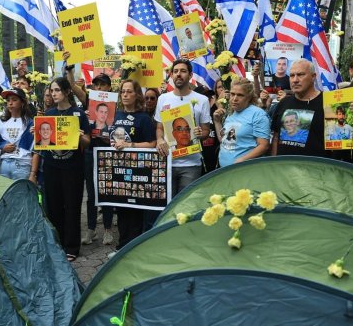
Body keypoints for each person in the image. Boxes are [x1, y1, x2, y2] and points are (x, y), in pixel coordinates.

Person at [41, 77, 90, 261]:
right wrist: (37, 134)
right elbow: (43, 141)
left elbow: (87, 141)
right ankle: (57, 244)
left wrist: (80, 137)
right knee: (54, 206)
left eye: (57, 90)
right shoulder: (49, 113)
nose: (53, 94)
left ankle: (72, 247)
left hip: (73, 168)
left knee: (72, 205)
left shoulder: (78, 114)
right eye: (51, 90)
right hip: (52, 166)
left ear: (67, 91)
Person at [107, 79, 156, 257]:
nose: (125, 95)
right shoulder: (115, 115)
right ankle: (122, 247)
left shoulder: (144, 118)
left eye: (129, 91)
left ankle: (133, 250)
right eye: (123, 91)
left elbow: (152, 144)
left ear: (137, 95)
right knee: (121, 209)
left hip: (138, 170)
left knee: (136, 211)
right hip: (119, 169)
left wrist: (130, 145)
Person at [155, 59, 212, 197]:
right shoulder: (163, 98)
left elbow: (206, 130)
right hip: (167, 162)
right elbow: (159, 127)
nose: (178, 74)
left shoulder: (202, 100)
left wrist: (200, 133)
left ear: (190, 75)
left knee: (185, 204)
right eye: (175, 71)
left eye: (183, 71)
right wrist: (159, 140)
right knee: (167, 203)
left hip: (191, 165)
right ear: (171, 75)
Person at [270, 59, 328, 157]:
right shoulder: (284, 103)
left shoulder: (328, 102)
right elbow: (276, 137)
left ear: (313, 77)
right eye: (292, 75)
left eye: (300, 75)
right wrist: (274, 162)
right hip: (283, 165)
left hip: (317, 165)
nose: (295, 80)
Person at [83, 73, 115, 247]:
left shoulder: (115, 107)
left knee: (106, 192)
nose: (99, 88)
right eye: (96, 85)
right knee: (91, 194)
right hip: (90, 154)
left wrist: (110, 138)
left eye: (103, 84)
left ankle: (108, 229)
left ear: (109, 87)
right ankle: (91, 229)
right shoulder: (89, 105)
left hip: (107, 153)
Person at [214, 78, 270, 167]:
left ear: (249, 97)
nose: (234, 98)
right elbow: (225, 140)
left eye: (240, 95)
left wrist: (242, 160)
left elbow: (264, 146)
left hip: (245, 169)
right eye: (232, 94)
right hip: (225, 170)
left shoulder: (258, 114)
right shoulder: (232, 113)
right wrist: (217, 122)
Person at [0, 88, 38, 181]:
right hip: (3, 164)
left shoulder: (31, 123)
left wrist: (33, 173)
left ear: (22, 102)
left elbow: (36, 151)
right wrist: (3, 147)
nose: (10, 103)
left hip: (22, 164)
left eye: (14, 100)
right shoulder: (0, 123)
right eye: (8, 100)